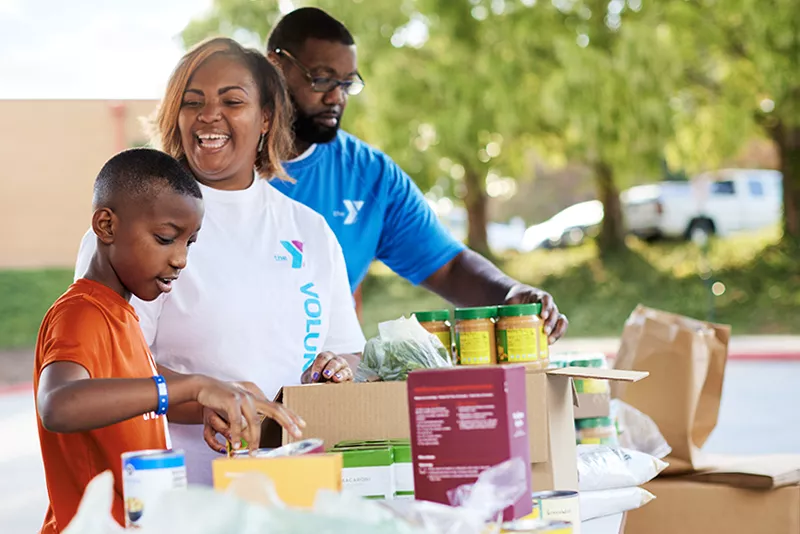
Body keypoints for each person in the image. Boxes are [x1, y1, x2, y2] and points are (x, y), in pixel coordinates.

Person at [74, 38, 365, 486]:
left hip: (289, 486)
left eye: (232, 100)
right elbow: (110, 374)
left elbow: (347, 347)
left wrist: (336, 367)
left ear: (266, 118)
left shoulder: (310, 230)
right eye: (193, 103)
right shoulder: (135, 227)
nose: (209, 115)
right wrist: (207, 399)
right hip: (173, 491)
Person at [37, 148, 304, 533]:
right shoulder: (81, 313)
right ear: (107, 226)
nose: (180, 259)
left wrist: (204, 404)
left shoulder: (123, 316)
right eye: (165, 238)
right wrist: (193, 384)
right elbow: (58, 405)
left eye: (189, 243)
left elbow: (137, 399)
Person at [267, 8, 569, 343]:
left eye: (347, 84)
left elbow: (447, 266)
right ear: (274, 67)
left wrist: (511, 292)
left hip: (322, 379)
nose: (336, 97)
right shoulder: (221, 159)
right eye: (322, 79)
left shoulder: (370, 176)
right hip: (224, 382)